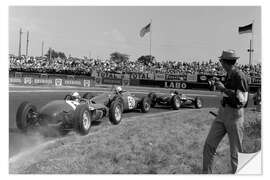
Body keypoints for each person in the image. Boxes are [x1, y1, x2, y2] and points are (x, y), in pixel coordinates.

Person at [202, 50, 249, 174]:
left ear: (224, 62)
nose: (220, 62)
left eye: (221, 60)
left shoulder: (239, 76)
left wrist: (224, 89)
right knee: (209, 146)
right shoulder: (229, 73)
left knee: (236, 154)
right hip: (223, 113)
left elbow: (242, 101)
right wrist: (222, 87)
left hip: (234, 115)